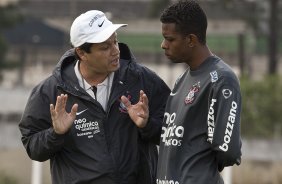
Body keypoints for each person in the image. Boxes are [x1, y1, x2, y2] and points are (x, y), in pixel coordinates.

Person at [18, 10, 170, 184]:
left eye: (116, 41)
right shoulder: (50, 91)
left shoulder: (141, 80)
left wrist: (147, 125)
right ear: (82, 53)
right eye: (105, 47)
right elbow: (32, 146)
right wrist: (56, 134)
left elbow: (175, 132)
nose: (115, 51)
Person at [122, 1, 242, 184]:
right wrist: (146, 125)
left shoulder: (221, 79)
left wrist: (199, 171)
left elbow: (227, 150)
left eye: (170, 39)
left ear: (191, 40)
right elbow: (176, 137)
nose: (163, 45)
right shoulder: (181, 81)